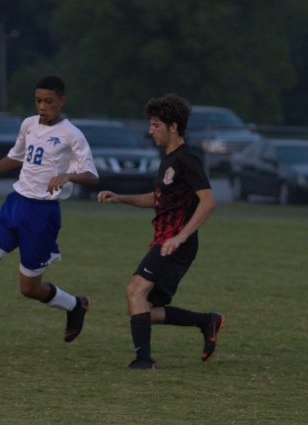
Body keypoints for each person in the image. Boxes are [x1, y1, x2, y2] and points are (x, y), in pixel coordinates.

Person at [0, 76, 99, 353]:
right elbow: (17, 156)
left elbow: (92, 175)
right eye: (38, 101)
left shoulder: (72, 134)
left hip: (42, 215)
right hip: (14, 204)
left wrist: (67, 174)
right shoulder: (29, 124)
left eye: (49, 102)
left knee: (29, 289)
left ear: (62, 101)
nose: (42, 107)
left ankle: (74, 305)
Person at [98, 93, 224, 369]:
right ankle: (207, 321)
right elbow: (158, 200)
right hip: (166, 241)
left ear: (173, 126)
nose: (150, 130)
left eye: (156, 125)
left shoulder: (186, 159)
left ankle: (143, 361)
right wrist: (121, 198)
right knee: (144, 309)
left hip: (175, 243)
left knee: (136, 289)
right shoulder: (169, 160)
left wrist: (181, 236)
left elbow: (209, 201)